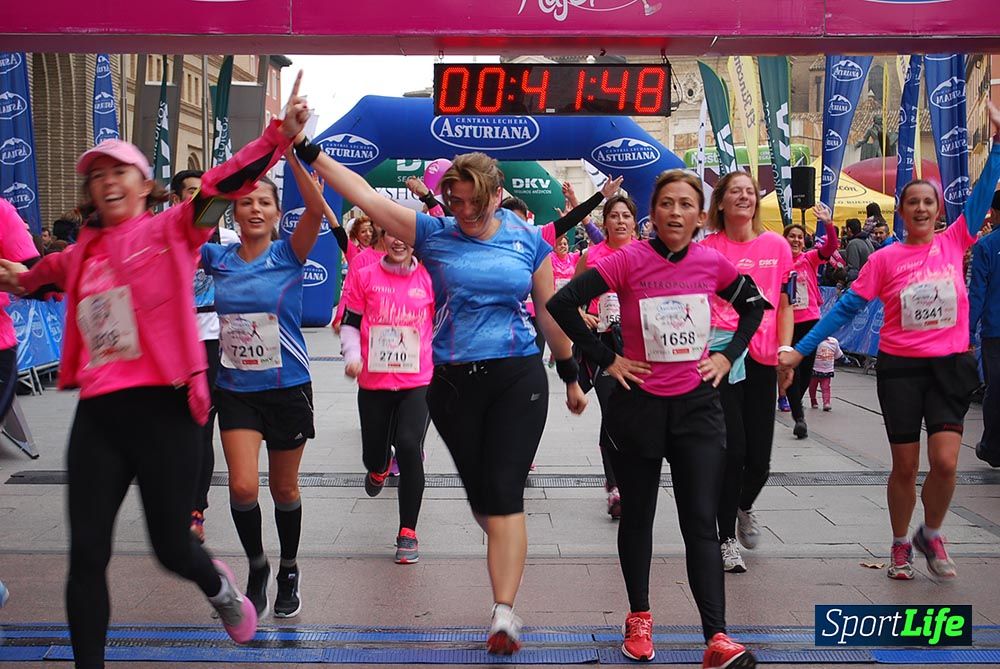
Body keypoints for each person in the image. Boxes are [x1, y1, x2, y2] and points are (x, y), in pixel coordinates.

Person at [0, 73, 310, 667]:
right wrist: (17, 276)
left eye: (119, 171)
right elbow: (38, 276)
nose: (107, 181)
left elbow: (223, 184)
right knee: (86, 556)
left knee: (171, 548)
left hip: (167, 410)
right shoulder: (81, 255)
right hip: (100, 416)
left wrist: (279, 136)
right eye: (97, 175)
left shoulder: (177, 229)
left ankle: (219, 588)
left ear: (144, 185)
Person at [306, 146, 586, 655]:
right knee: (484, 502)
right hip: (453, 384)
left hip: (517, 376)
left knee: (505, 493)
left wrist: (570, 375)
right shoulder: (433, 234)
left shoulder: (529, 240)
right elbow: (365, 196)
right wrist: (310, 152)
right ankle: (502, 539)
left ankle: (504, 612)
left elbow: (549, 314)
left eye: (475, 202)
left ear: (496, 195)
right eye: (456, 202)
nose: (465, 212)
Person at [548, 170, 764, 668]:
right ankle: (639, 618)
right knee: (638, 516)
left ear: (700, 215)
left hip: (697, 408)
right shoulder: (628, 259)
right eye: (666, 203)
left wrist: (727, 355)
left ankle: (717, 637)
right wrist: (607, 359)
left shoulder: (711, 262)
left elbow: (753, 307)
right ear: (654, 212)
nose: (675, 212)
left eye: (686, 204)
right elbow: (562, 303)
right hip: (639, 405)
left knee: (701, 522)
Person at [780, 102, 1000, 580]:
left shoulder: (955, 241)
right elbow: (845, 309)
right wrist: (800, 348)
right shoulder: (884, 259)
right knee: (905, 466)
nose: (921, 208)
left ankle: (931, 533)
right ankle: (901, 543)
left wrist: (999, 145)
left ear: (939, 211)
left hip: (950, 366)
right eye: (913, 202)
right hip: (901, 369)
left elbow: (984, 194)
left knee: (946, 463)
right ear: (901, 211)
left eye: (928, 202)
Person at [203, 148, 324, 620]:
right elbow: (188, 226)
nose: (255, 209)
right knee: (242, 487)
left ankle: (288, 569)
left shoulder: (288, 254)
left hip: (288, 388)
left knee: (284, 490)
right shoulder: (217, 257)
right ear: (233, 211)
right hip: (237, 390)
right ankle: (257, 566)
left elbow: (315, 208)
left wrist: (291, 154)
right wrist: (233, 176)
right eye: (246, 202)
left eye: (264, 203)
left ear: (276, 214)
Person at [700, 170, 793, 574]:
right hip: (721, 357)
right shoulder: (707, 248)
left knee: (759, 462)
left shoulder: (777, 246)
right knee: (732, 451)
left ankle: (742, 505)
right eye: (735, 192)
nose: (744, 197)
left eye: (750, 192)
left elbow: (785, 304)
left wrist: (787, 350)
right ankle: (725, 539)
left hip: (763, 357)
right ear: (720, 202)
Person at [341, 230, 434, 563]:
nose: (398, 241)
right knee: (373, 455)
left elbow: (443, 323)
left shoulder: (429, 278)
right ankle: (378, 467)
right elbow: (350, 322)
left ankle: (408, 531)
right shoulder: (365, 275)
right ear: (382, 236)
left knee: (409, 445)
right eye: (391, 234)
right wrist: (352, 355)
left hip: (417, 381)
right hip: (374, 382)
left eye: (405, 235)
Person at [170, 169, 241, 543]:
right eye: (190, 193)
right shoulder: (164, 235)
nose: (197, 199)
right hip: (172, 341)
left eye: (203, 193)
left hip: (213, 338)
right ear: (175, 199)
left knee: (202, 425)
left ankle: (195, 508)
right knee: (172, 426)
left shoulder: (227, 238)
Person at [574, 194, 638, 519]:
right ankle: (615, 487)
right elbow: (569, 298)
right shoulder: (592, 256)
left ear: (634, 222)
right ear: (605, 222)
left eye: (626, 216)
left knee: (634, 413)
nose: (621, 221)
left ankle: (632, 478)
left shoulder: (646, 253)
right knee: (612, 409)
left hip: (639, 344)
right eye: (615, 216)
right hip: (603, 343)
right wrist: (582, 314)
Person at [782, 204, 838, 439]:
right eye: (791, 236)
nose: (796, 240)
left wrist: (828, 223)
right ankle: (799, 417)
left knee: (805, 370)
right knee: (790, 368)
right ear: (784, 240)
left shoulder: (810, 259)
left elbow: (831, 247)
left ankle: (796, 403)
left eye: (799, 237)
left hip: (810, 320)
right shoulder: (778, 262)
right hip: (786, 324)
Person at [970, 190, 1000, 467]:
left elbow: (977, 292)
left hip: (995, 328)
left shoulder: (986, 246)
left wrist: (967, 331)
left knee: (996, 387)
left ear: (995, 213)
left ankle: (992, 446)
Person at [809, 336, 843, 411]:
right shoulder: (815, 341)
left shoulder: (834, 342)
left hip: (827, 371)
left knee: (826, 387)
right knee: (812, 387)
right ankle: (813, 400)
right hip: (814, 370)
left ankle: (826, 403)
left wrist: (842, 359)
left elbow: (838, 354)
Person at [844, 217, 874, 285]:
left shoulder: (853, 244)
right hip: (870, 280)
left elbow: (853, 270)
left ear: (849, 229)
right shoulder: (867, 241)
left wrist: (843, 277)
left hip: (859, 283)